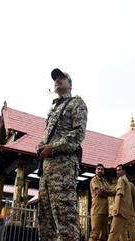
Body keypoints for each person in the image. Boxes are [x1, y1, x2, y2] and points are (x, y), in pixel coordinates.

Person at [37, 68, 88, 241]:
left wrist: (53, 147)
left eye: (62, 77)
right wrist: (41, 145)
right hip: (46, 168)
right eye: (55, 79)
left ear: (70, 83)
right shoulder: (53, 109)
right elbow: (48, 135)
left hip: (63, 168)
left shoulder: (76, 103)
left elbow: (78, 135)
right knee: (46, 220)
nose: (57, 80)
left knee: (65, 218)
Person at [89, 164, 115, 241]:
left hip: (105, 211)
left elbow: (113, 192)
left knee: (102, 236)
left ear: (103, 171)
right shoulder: (94, 180)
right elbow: (99, 192)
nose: (100, 170)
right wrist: (106, 192)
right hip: (97, 210)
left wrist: (105, 191)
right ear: (95, 171)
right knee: (94, 235)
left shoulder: (105, 181)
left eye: (102, 169)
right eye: (98, 169)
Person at [107, 165, 133, 241]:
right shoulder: (127, 182)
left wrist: (116, 209)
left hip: (120, 211)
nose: (117, 172)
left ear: (124, 171)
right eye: (117, 170)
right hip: (126, 212)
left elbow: (119, 194)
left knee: (113, 233)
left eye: (119, 170)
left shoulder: (121, 180)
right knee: (123, 234)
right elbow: (114, 191)